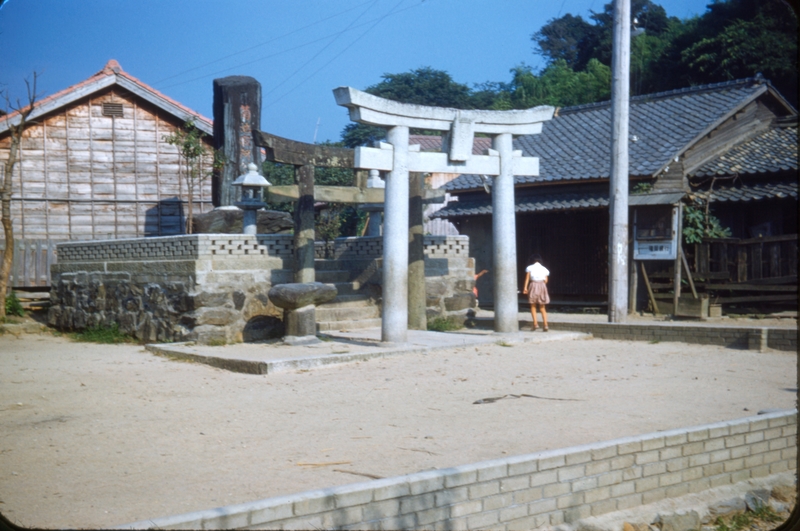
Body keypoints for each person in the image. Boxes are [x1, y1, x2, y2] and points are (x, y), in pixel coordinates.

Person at [522, 254, 550, 331]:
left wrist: (525, 288)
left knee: (533, 305)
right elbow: (546, 280)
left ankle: (535, 324)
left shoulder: (529, 268)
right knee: (542, 307)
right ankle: (545, 325)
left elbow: (527, 278)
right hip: (542, 286)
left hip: (533, 285)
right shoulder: (544, 269)